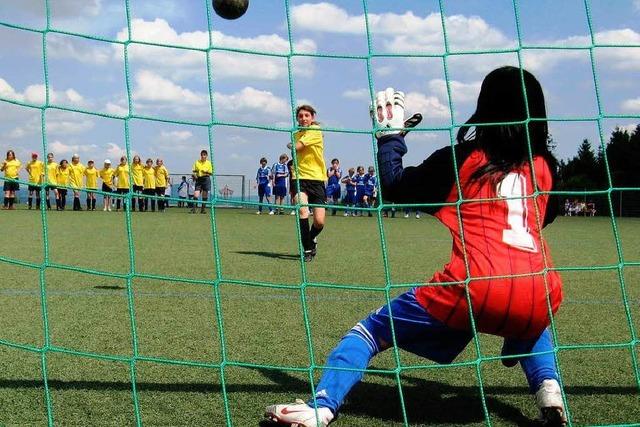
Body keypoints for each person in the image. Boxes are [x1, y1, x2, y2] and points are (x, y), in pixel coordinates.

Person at [265, 68, 566, 427]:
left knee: (371, 331)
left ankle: (321, 407)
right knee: (531, 321)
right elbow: (543, 216)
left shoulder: (464, 158)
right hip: (542, 290)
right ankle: (550, 392)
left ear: (483, 106)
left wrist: (390, 137)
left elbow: (394, 186)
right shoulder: (547, 167)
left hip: (473, 285)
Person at [287, 104, 327, 262]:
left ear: (312, 118)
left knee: (319, 221)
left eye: (306, 115)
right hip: (300, 178)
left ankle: (311, 240)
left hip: (317, 179)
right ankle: (308, 250)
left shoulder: (316, 131)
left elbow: (297, 146)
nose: (303, 118)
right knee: (303, 212)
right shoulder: (296, 133)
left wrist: (291, 145)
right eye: (300, 116)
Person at [192, 149, 213, 214]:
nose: (203, 156)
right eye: (202, 155)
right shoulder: (197, 162)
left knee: (204, 195)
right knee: (196, 194)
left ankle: (203, 209)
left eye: (204, 155)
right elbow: (194, 171)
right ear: (200, 155)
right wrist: (194, 175)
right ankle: (194, 209)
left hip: (206, 179)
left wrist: (205, 172)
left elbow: (211, 173)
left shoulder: (209, 163)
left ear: (206, 156)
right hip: (199, 179)